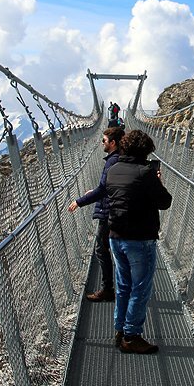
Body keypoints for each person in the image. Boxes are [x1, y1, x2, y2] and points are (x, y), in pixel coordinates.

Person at [106, 129, 172, 354]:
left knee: (123, 286)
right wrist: (158, 182)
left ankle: (120, 329)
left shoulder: (112, 170)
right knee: (140, 288)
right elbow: (164, 202)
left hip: (115, 237)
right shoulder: (145, 173)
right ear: (145, 151)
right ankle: (131, 336)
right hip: (140, 239)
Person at [67, 125, 124, 301]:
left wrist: (79, 201)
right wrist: (95, 191)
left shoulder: (112, 161)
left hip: (109, 211)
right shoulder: (119, 158)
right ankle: (119, 288)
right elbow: (109, 186)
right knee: (113, 249)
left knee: (103, 249)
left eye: (104, 141)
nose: (102, 143)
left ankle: (109, 289)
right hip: (115, 208)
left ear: (112, 143)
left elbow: (103, 189)